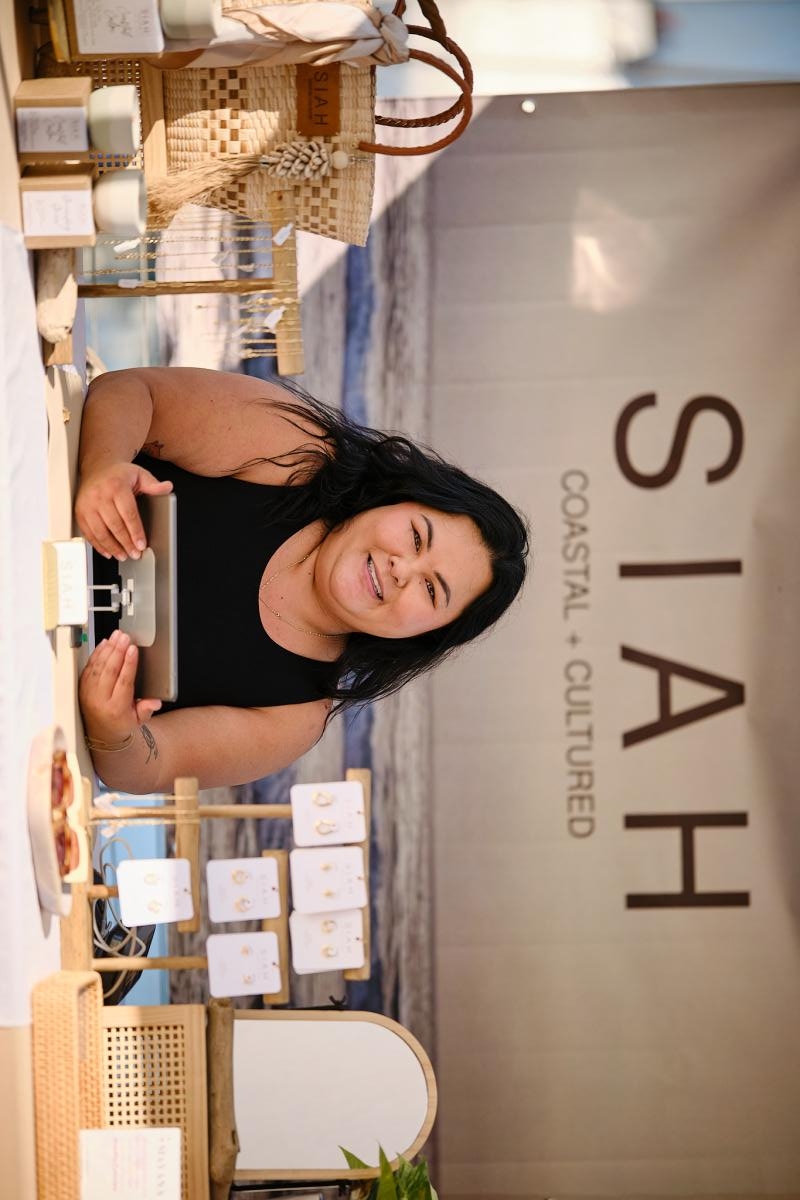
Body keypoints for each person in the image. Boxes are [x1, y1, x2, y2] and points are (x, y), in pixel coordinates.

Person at [76, 367, 529, 794]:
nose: (401, 569)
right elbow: (135, 392)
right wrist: (104, 466)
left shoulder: (295, 717)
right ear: (398, 499)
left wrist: (114, 729)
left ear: (427, 635)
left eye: (430, 590)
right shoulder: (299, 451)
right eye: (415, 536)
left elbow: (149, 768)